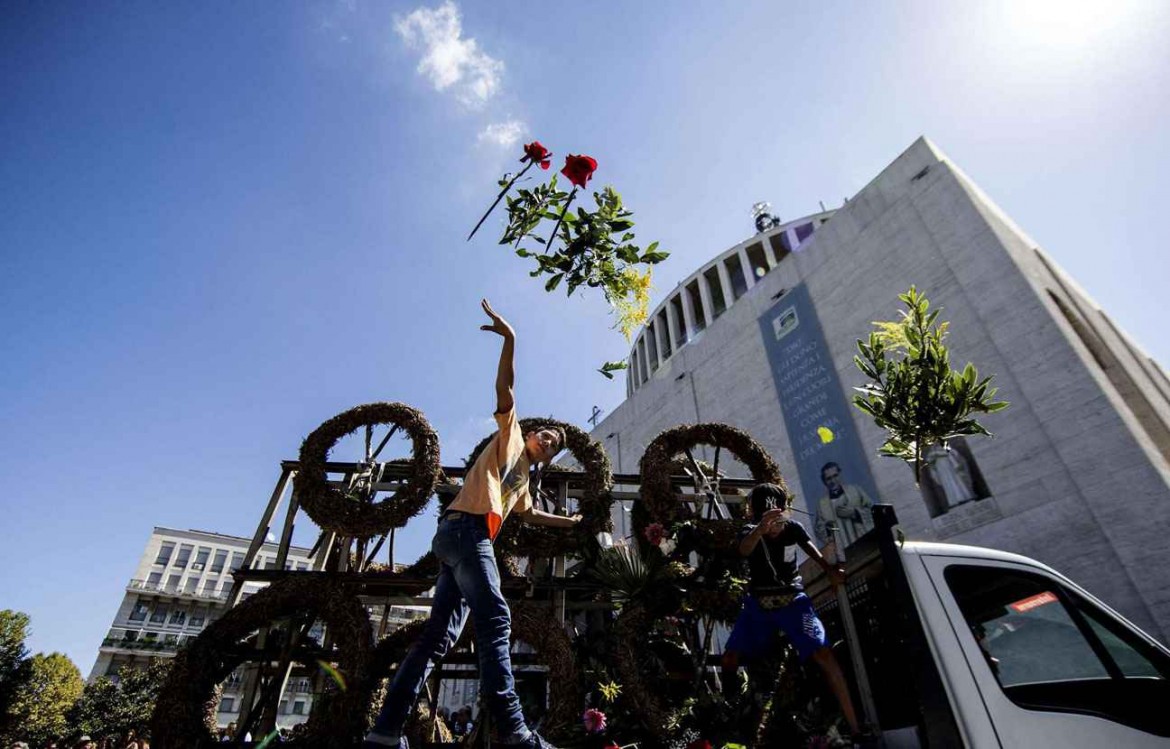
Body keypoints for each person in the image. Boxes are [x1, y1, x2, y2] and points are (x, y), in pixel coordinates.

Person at [362, 300, 581, 749]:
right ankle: (515, 734)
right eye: (548, 434)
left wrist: (570, 522)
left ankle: (384, 731)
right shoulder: (512, 438)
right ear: (534, 433)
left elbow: (529, 514)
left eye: (555, 443)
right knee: (496, 619)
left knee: (437, 638)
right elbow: (507, 389)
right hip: (466, 532)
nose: (549, 439)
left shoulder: (520, 482)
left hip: (456, 544)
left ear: (550, 456)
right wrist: (511, 340)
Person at [720, 483, 861, 737]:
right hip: (759, 605)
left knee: (823, 653)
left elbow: (814, 552)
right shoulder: (750, 532)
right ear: (756, 515)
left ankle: (855, 725)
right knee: (729, 657)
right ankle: (728, 709)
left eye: (777, 518)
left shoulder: (793, 529)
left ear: (784, 511)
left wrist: (831, 572)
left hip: (793, 601)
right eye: (767, 517)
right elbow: (743, 550)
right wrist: (761, 530)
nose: (774, 526)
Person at [814, 462, 874, 547]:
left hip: (865, 541)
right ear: (824, 481)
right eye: (829, 478)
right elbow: (819, 529)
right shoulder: (822, 504)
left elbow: (874, 511)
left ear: (840, 475)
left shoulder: (855, 490)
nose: (833, 481)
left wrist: (855, 513)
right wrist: (828, 531)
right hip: (843, 548)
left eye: (835, 476)